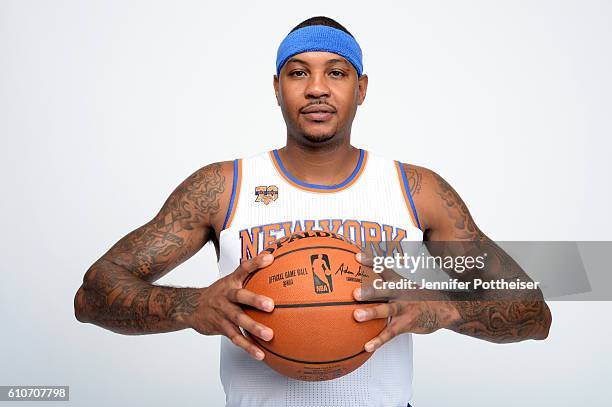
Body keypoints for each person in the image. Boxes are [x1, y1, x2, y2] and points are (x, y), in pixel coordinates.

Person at [74, 16, 552, 407]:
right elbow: (91, 296)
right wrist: (190, 305)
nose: (317, 88)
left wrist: (441, 308)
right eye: (298, 72)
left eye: (336, 72)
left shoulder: (416, 190)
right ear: (277, 87)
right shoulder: (222, 187)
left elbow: (534, 314)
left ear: (361, 88)